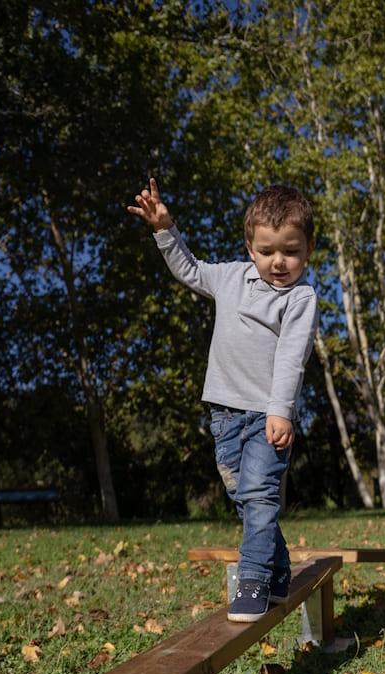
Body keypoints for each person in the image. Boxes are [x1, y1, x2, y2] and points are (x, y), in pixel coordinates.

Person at [128, 178, 318, 622]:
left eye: (290, 251)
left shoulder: (300, 298)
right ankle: (278, 572)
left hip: (267, 418)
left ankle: (252, 580)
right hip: (224, 417)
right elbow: (190, 270)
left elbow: (293, 357)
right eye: (268, 250)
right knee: (244, 497)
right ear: (250, 246)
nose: (278, 262)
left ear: (307, 250)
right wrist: (164, 230)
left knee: (259, 494)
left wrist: (281, 411)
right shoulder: (232, 276)